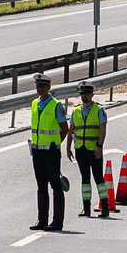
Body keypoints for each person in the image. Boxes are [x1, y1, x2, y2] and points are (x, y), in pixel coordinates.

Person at [65, 81, 113, 219]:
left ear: (92, 94)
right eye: (82, 94)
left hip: (94, 149)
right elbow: (71, 130)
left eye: (87, 94)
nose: (84, 96)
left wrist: (99, 146)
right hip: (80, 149)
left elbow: (103, 130)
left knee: (99, 178)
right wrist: (68, 148)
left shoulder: (99, 110)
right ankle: (86, 209)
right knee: (85, 179)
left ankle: (105, 208)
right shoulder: (76, 111)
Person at [27, 75, 68, 231]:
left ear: (49, 87)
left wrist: (56, 143)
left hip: (51, 152)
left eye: (43, 86)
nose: (40, 89)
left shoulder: (56, 105)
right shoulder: (34, 104)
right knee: (41, 186)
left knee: (56, 186)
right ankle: (42, 220)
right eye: (38, 86)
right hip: (37, 152)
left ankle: (57, 221)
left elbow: (64, 128)